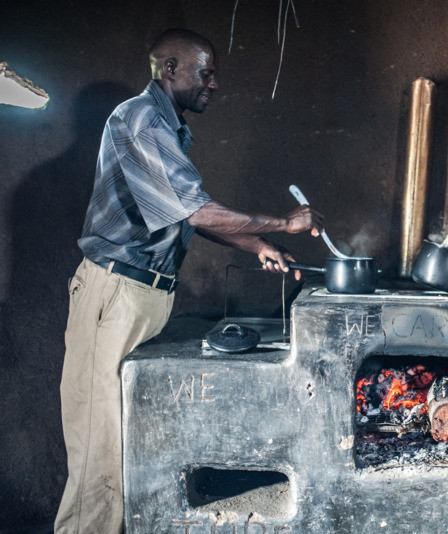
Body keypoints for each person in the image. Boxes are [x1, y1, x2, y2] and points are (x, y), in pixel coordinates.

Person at [55, 28, 323, 534]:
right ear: (170, 69)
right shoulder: (139, 120)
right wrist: (283, 225)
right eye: (206, 72)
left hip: (142, 297)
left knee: (125, 449)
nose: (215, 84)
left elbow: (181, 216)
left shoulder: (168, 127)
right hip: (113, 294)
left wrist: (256, 245)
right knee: (99, 454)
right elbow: (197, 210)